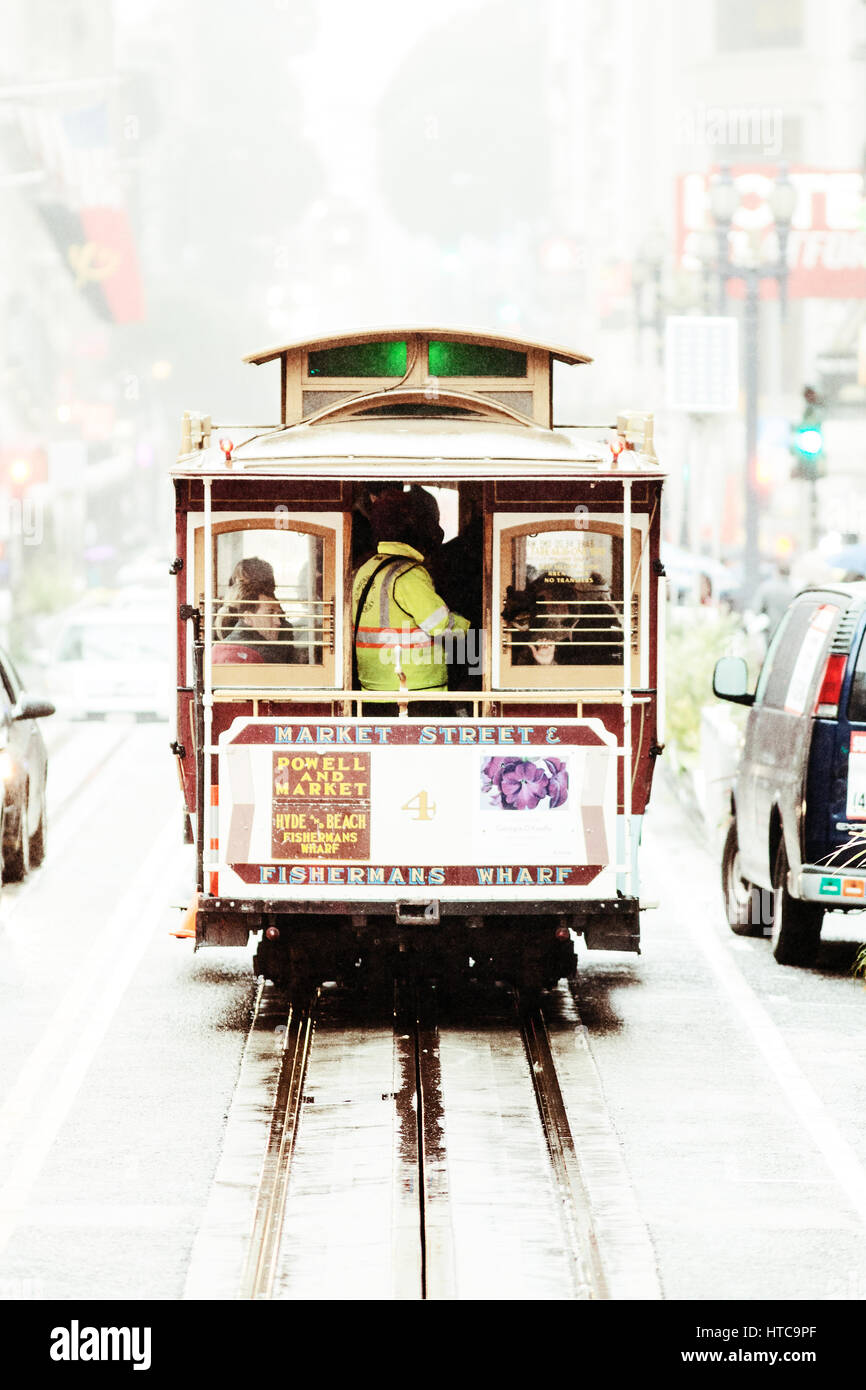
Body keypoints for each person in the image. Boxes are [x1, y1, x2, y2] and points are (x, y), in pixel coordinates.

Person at [352, 490, 469, 711]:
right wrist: (474, 628)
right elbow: (441, 626)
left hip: (373, 691)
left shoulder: (364, 570)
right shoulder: (408, 574)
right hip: (416, 692)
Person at [214, 557, 303, 663]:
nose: (241, 588)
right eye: (239, 583)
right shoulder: (224, 616)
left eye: (246, 583)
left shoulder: (277, 624)